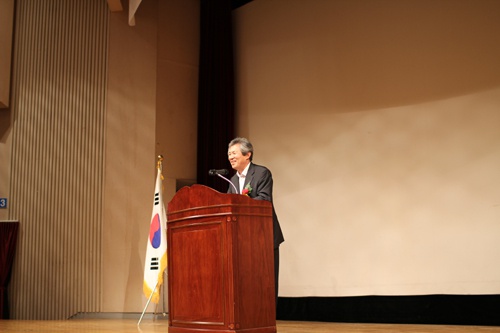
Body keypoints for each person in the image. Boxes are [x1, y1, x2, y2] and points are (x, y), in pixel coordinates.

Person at [227, 137, 285, 305]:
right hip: (244, 239)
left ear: (248, 155)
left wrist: (243, 201)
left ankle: (267, 315)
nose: (230, 157)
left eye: (234, 153)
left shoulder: (262, 173)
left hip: (264, 235)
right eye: (229, 154)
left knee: (266, 279)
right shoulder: (232, 180)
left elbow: (264, 200)